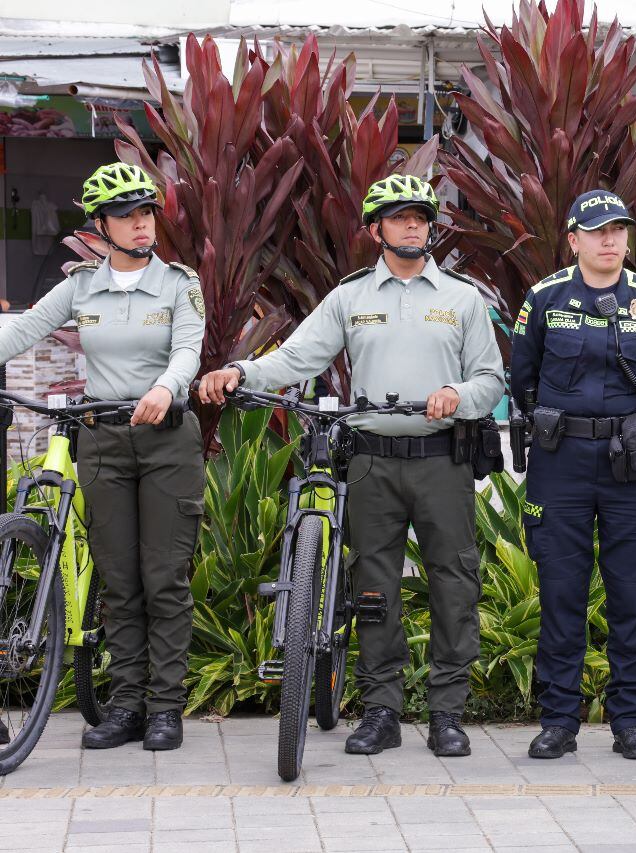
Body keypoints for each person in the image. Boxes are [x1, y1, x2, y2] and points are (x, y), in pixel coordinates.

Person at [199, 175, 503, 757]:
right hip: (370, 465)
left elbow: (490, 380)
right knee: (373, 589)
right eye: (399, 217)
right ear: (375, 230)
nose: (413, 225)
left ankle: (447, 714)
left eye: (420, 216)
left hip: (443, 461)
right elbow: (296, 356)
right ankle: (382, 710)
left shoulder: (463, 299)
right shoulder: (351, 297)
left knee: (454, 585)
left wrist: (456, 396)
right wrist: (241, 372)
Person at [0, 162, 206, 751]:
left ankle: (166, 708)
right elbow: (22, 331)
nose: (141, 225)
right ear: (101, 226)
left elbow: (188, 349)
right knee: (118, 581)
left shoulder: (178, 283)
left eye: (146, 213)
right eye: (127, 216)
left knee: (162, 577)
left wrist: (166, 387)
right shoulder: (80, 287)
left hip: (166, 437)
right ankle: (128, 704)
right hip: (103, 440)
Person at [510, 190, 636, 760]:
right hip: (560, 464)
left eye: (618, 229)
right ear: (574, 239)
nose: (610, 240)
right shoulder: (544, 299)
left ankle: (629, 718)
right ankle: (558, 719)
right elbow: (523, 377)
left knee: (631, 594)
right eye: (597, 230)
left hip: (631, 466)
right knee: (562, 593)